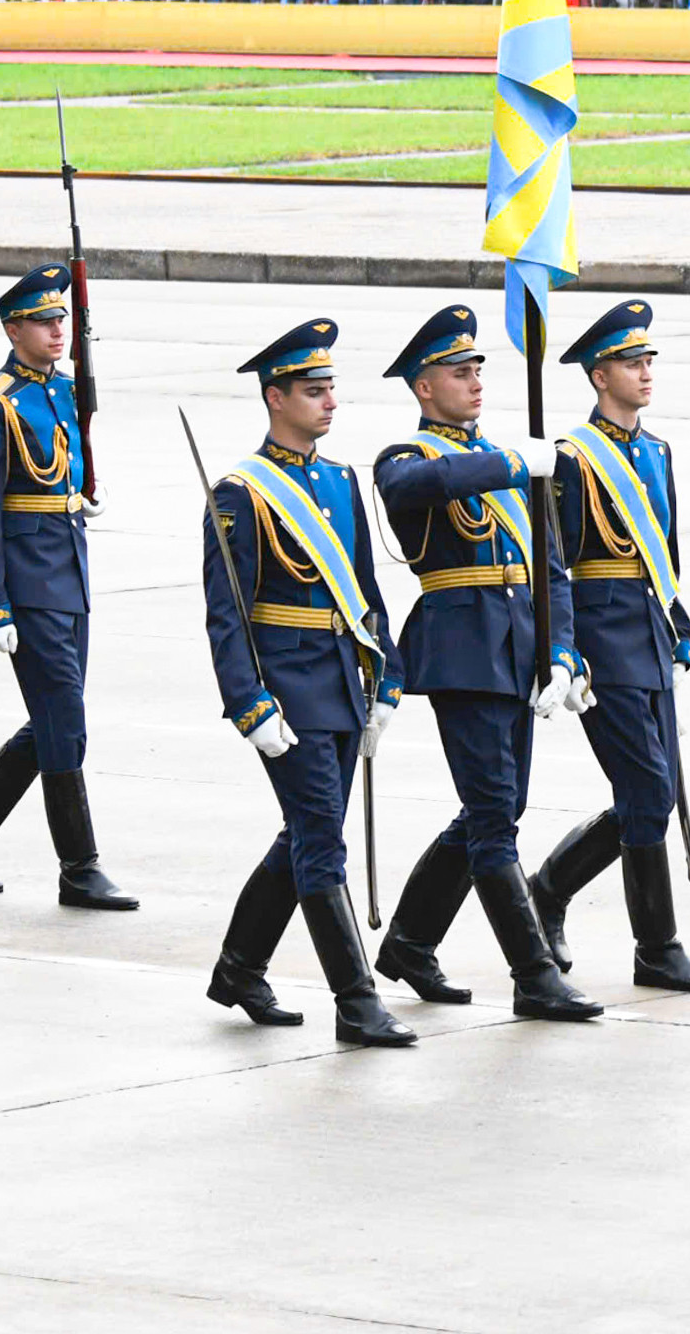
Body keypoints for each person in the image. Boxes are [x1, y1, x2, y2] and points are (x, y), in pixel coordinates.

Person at [369, 305, 599, 1022]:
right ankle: (533, 974)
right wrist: (512, 463)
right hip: (461, 650)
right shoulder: (408, 459)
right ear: (422, 387)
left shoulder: (507, 459)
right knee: (496, 818)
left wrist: (561, 653)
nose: (472, 382)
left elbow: (551, 567)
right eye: (456, 372)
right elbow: (412, 493)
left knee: (496, 810)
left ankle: (410, 941)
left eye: (476, 370)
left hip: (519, 649)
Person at [199, 319, 414, 1046]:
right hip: (287, 693)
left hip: (343, 685)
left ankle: (239, 966)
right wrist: (247, 703)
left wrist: (386, 676)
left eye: (331, 391)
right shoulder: (241, 492)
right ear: (275, 397)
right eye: (313, 392)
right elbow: (226, 613)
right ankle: (356, 1001)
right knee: (323, 839)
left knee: (307, 833)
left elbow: (364, 588)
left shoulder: (339, 480)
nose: (328, 404)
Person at [0, 264, 137, 912]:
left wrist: (84, 495)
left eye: (62, 319)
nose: (58, 330)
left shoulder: (63, 391)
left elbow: (64, 472)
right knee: (64, 721)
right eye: (45, 322)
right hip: (26, 583)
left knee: (56, 720)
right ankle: (79, 866)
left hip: (68, 574)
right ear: (13, 327)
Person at [527, 302, 690, 993]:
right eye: (632, 363)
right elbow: (554, 563)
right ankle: (654, 946)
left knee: (651, 794)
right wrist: (564, 649)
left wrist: (679, 620)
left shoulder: (657, 451)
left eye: (648, 361)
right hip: (603, 640)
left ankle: (549, 893)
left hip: (651, 633)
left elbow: (663, 548)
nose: (645, 372)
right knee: (648, 789)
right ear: (599, 374)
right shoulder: (571, 461)